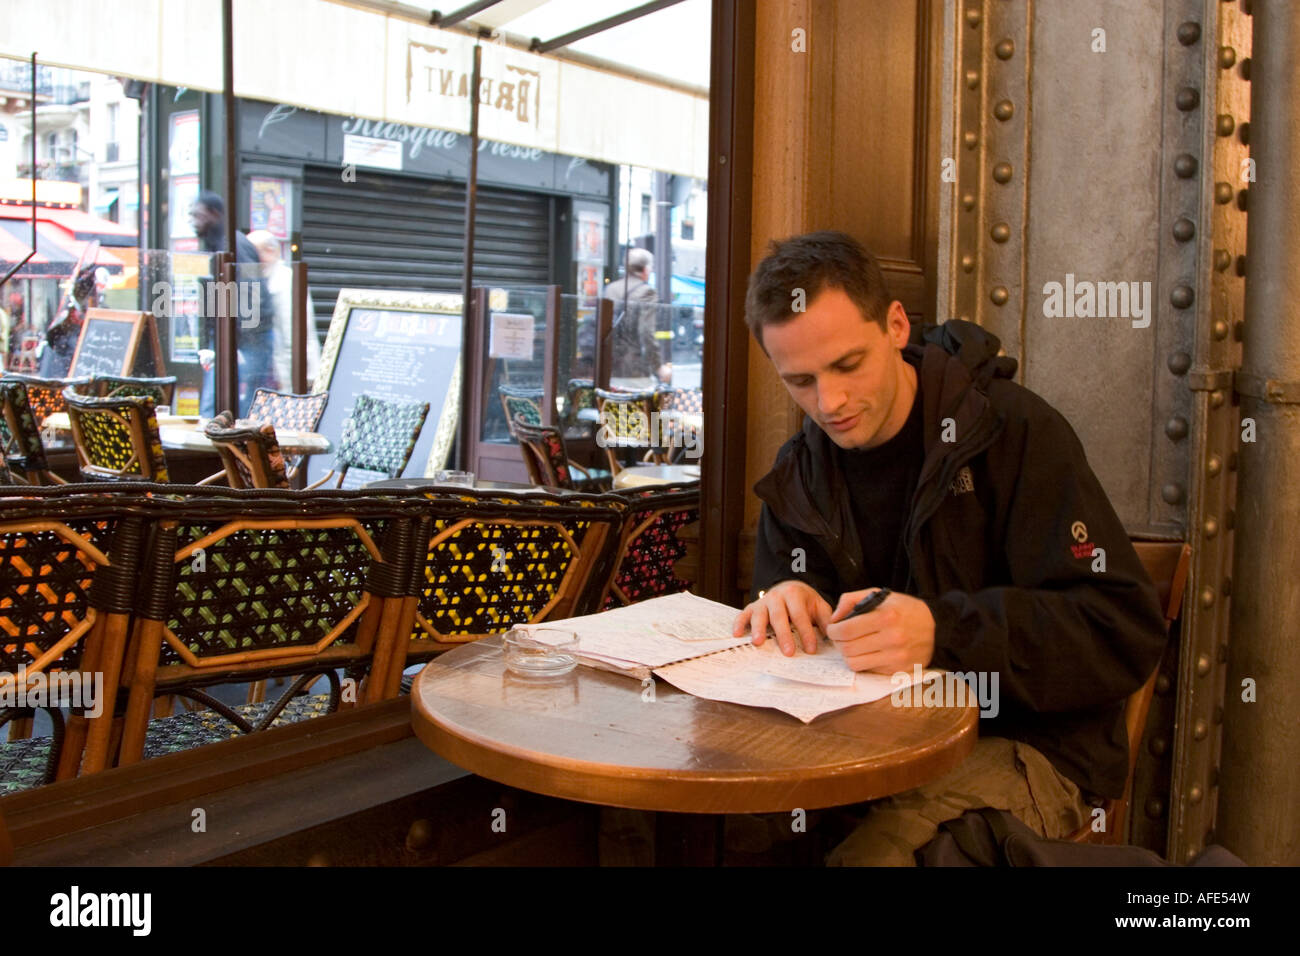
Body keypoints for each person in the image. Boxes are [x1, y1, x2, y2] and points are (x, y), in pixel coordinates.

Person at [731, 230, 1168, 865]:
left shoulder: (1015, 431)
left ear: (897, 325)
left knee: (882, 856)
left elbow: (1121, 630)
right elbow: (791, 643)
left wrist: (944, 632)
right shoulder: (801, 469)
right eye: (800, 381)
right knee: (737, 832)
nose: (830, 403)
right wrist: (786, 597)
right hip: (860, 751)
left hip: (1030, 746)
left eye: (848, 365)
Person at [189, 191, 276, 415]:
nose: (193, 221)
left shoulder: (233, 245)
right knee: (217, 401)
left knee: (249, 403)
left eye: (197, 215)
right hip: (230, 336)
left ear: (214, 214)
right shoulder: (216, 245)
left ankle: (243, 446)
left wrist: (236, 335)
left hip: (247, 336)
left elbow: (251, 292)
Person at [247, 230, 320, 391]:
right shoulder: (266, 279)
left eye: (252, 251)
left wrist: (290, 382)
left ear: (270, 251)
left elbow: (292, 336)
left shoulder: (285, 281)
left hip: (289, 374)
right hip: (275, 372)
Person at [603, 248, 670, 389]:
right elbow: (646, 332)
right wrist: (659, 367)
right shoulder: (647, 292)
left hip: (610, 366)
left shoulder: (610, 289)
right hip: (634, 369)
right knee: (652, 407)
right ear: (645, 270)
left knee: (617, 409)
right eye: (651, 267)